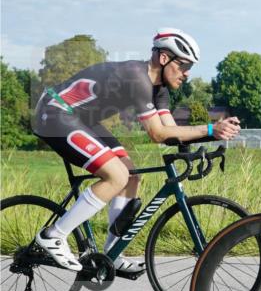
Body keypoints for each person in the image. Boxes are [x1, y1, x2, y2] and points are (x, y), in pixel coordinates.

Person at [32, 29, 241, 271]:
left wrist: (201, 143)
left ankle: (112, 253)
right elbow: (157, 134)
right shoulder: (136, 77)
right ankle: (54, 235)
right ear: (164, 59)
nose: (186, 74)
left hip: (82, 119)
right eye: (183, 66)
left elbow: (170, 131)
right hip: (56, 113)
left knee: (131, 177)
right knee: (117, 175)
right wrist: (210, 128)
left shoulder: (159, 89)